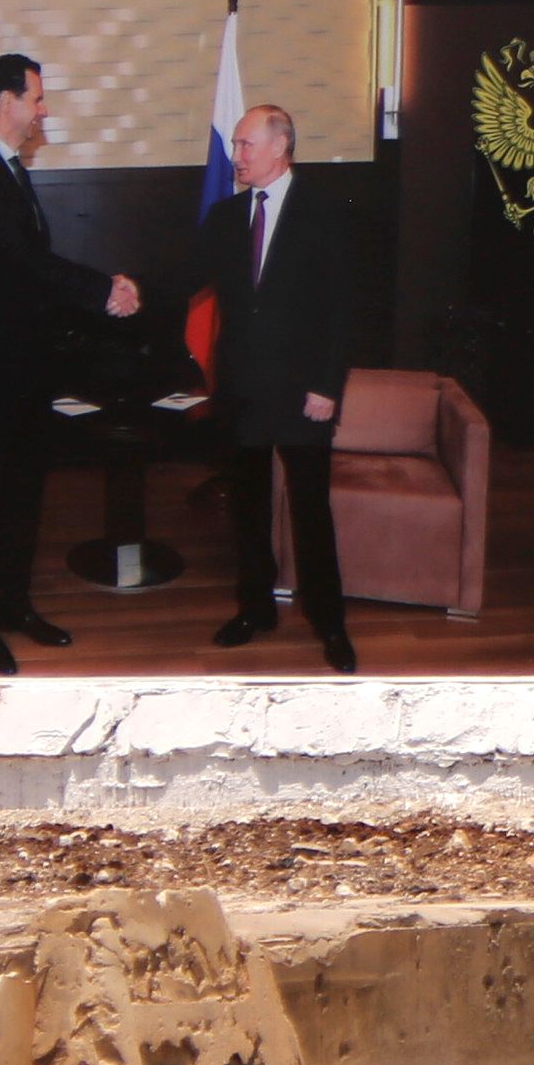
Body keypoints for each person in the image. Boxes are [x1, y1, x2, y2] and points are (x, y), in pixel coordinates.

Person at [0, 54, 138, 675]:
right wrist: (104, 290)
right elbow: (23, 261)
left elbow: (29, 270)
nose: (44, 110)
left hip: (26, 362)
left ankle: (16, 604)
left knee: (25, 489)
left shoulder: (10, 170)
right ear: (6, 102)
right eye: (38, 98)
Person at [191, 100, 360, 673]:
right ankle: (255, 608)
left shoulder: (324, 210)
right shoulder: (224, 218)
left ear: (280, 146)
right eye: (236, 145)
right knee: (247, 509)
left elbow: (342, 306)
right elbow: (181, 277)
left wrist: (326, 384)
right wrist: (122, 289)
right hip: (241, 389)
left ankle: (328, 622)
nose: (234, 155)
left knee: (311, 510)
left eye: (244, 145)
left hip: (302, 392)